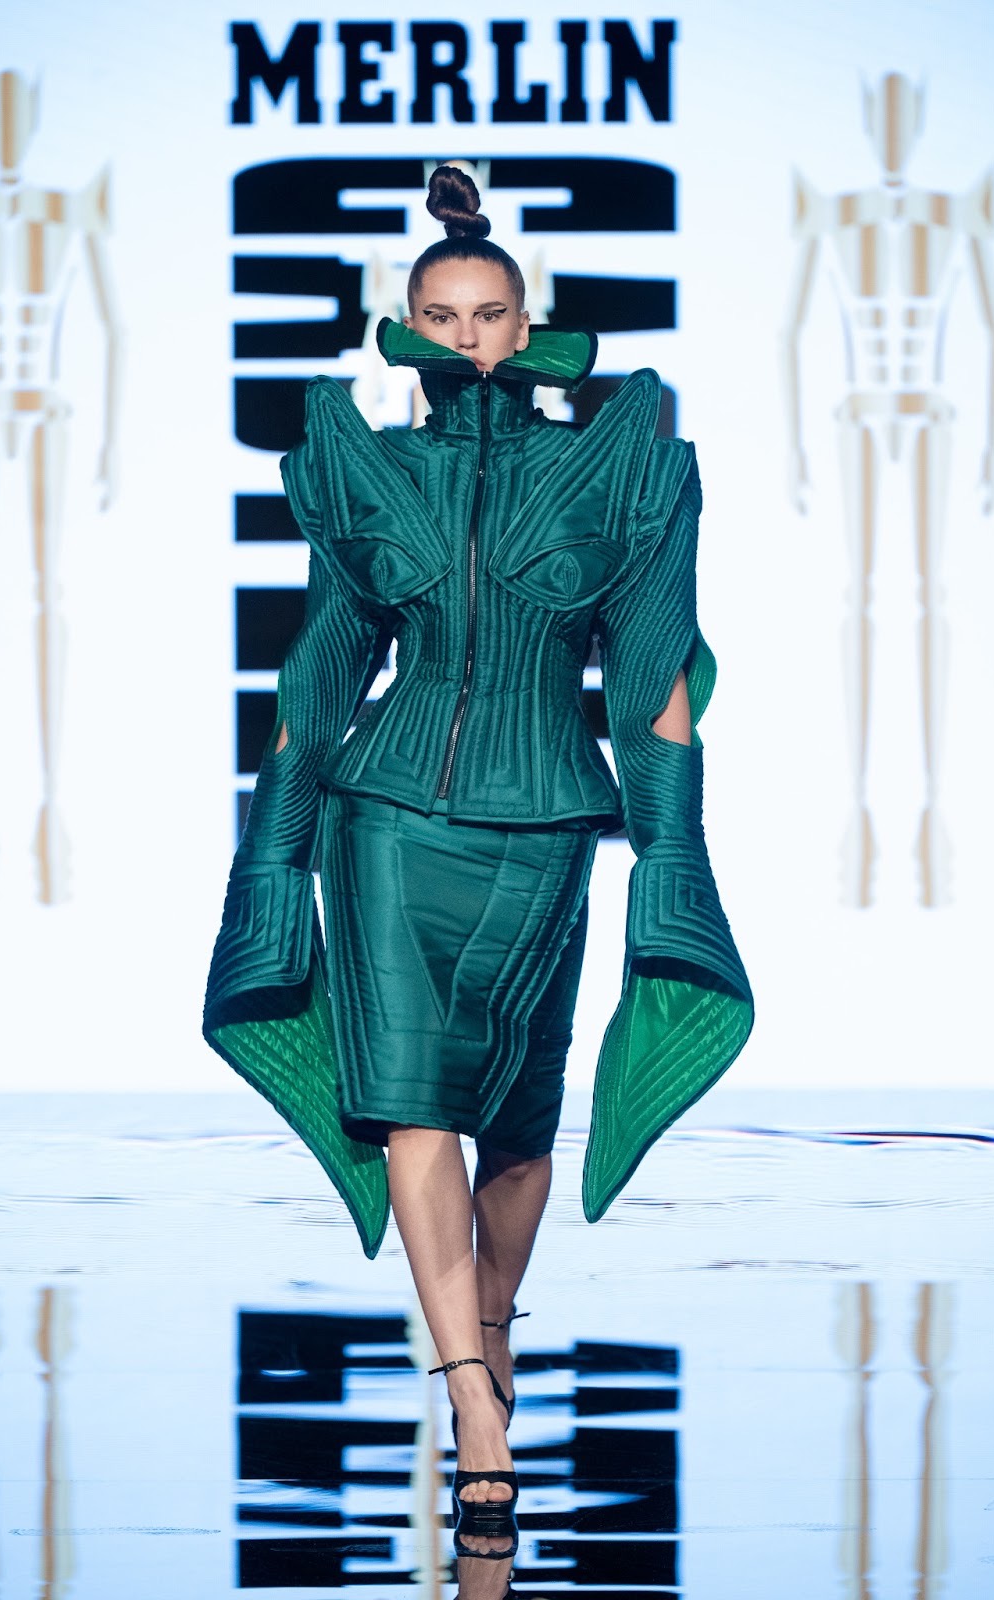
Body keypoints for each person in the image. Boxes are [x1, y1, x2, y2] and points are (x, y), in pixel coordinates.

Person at [203, 165, 754, 1540]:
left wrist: (673, 850)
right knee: (410, 1106)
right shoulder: (366, 470)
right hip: (384, 819)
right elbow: (325, 666)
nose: (467, 336)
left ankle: (490, 1333)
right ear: (409, 329)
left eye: (488, 313)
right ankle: (476, 1406)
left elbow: (654, 678)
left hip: (547, 824)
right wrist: (275, 845)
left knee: (515, 1128)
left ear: (526, 323)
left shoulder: (621, 469)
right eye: (441, 315)